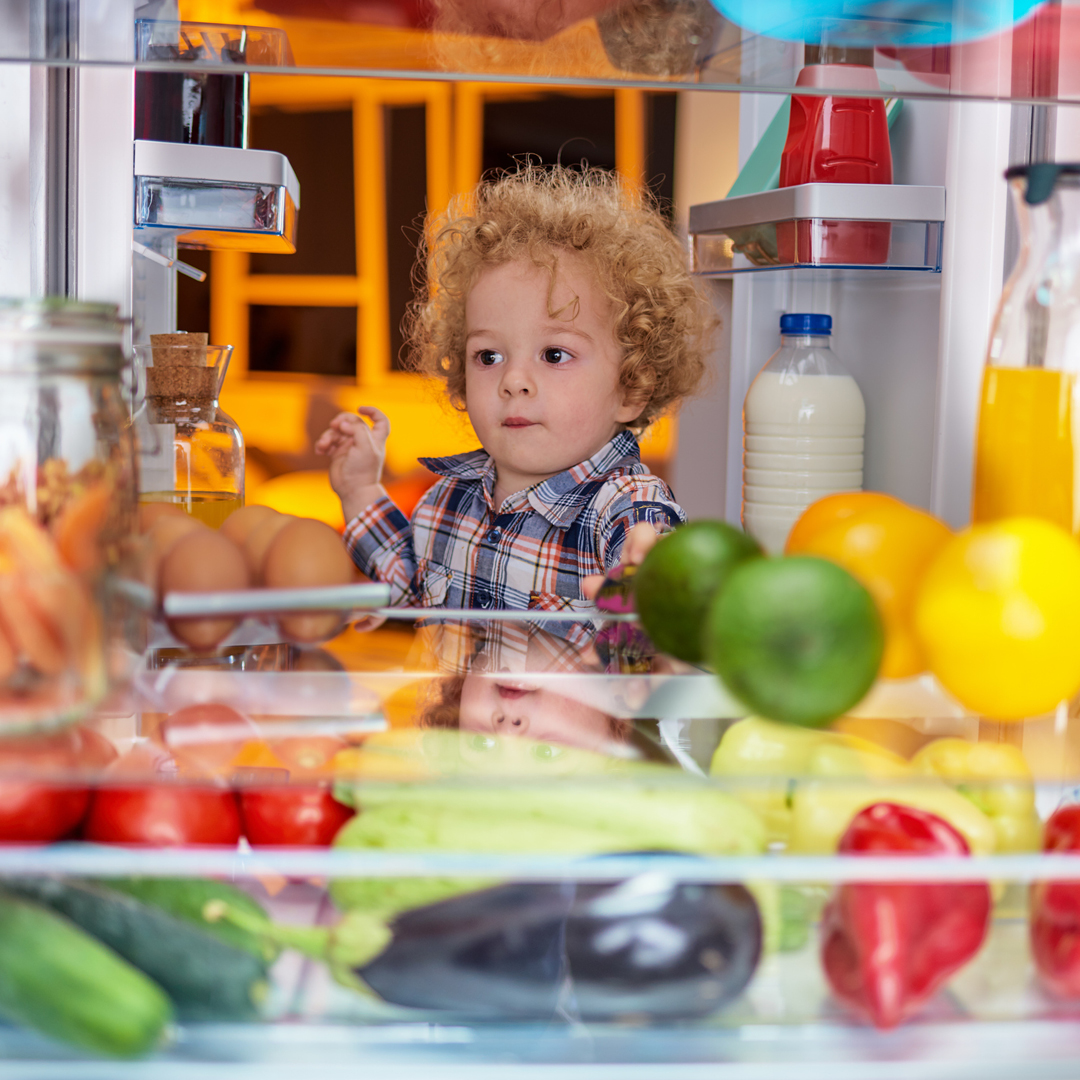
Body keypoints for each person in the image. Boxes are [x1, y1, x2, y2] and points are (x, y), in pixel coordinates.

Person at [315, 164, 713, 645]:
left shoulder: (629, 513)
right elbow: (407, 584)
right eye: (488, 356)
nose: (514, 381)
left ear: (631, 388)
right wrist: (359, 488)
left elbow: (663, 638)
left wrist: (652, 599)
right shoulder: (449, 500)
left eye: (554, 354)